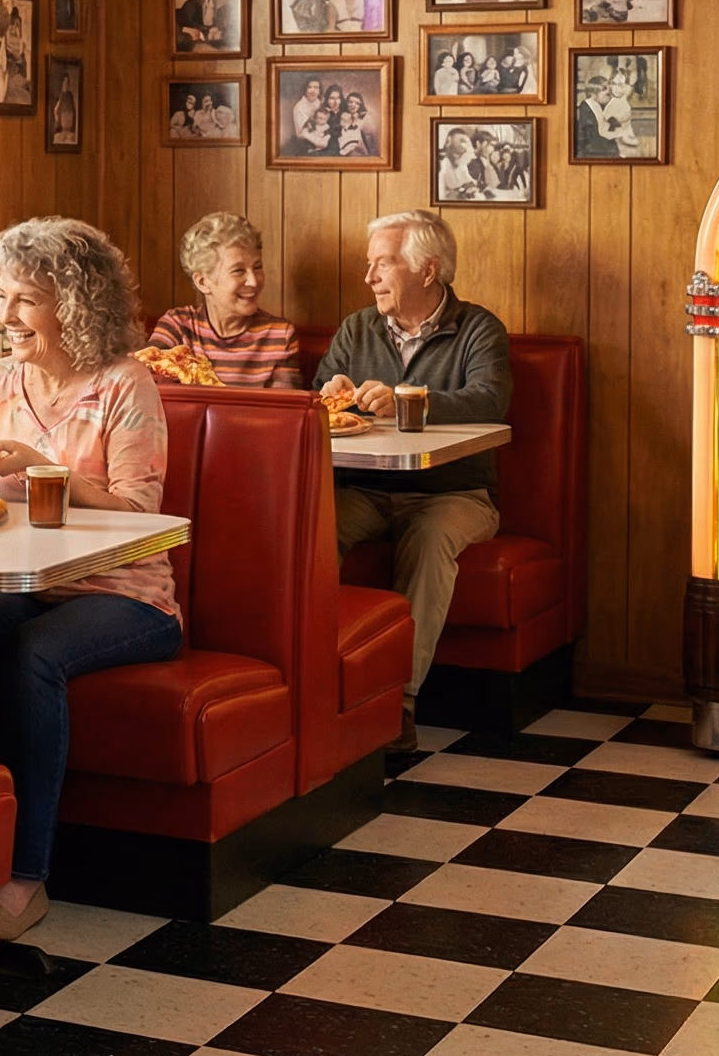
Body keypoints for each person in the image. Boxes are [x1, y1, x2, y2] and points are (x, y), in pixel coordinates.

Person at [0, 218, 180, 943]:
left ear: (75, 305)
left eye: (25, 300)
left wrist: (41, 468)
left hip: (127, 595)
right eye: (2, 296)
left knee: (34, 656)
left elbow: (140, 512)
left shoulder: (126, 383)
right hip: (21, 584)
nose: (5, 315)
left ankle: (25, 875)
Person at [315, 211, 513, 750]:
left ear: (428, 269)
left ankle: (396, 703)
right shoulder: (356, 328)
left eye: (383, 264)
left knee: (428, 540)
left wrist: (411, 401)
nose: (370, 277)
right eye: (370, 264)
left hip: (456, 494)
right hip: (365, 490)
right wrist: (333, 391)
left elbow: (489, 399)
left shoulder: (479, 329)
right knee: (312, 532)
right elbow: (318, 398)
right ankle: (313, 689)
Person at [147, 213, 301, 388]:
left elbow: (286, 404)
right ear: (203, 282)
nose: (253, 281)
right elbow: (148, 387)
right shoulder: (177, 327)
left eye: (257, 267)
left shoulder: (280, 335)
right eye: (238, 271)